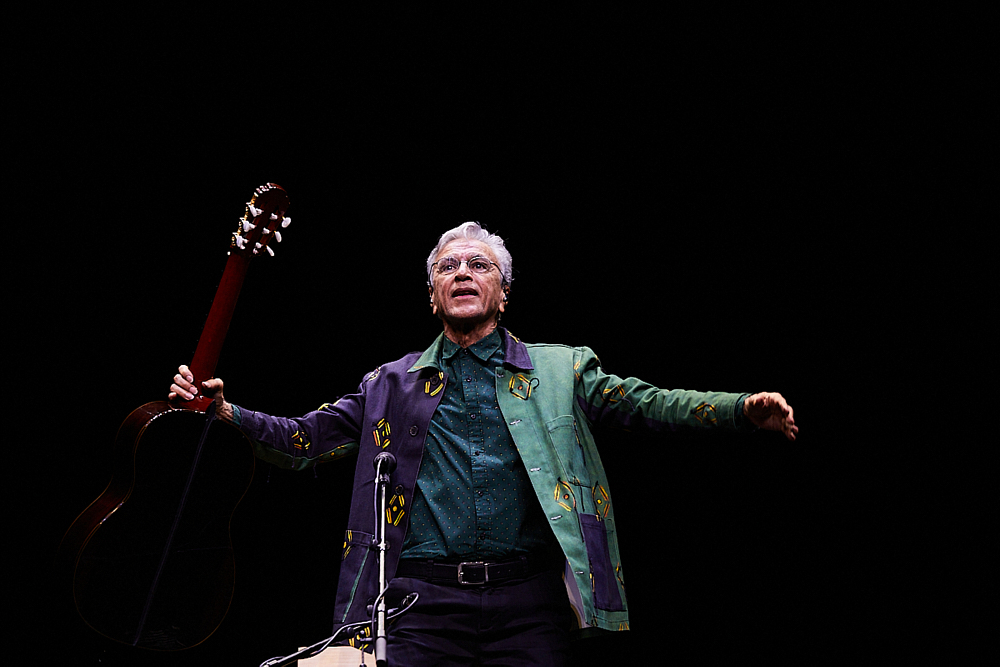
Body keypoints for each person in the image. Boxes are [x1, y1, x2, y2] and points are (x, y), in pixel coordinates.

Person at [169, 221, 798, 666]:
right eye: (449, 266)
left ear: (502, 291)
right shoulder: (390, 383)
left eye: (480, 265)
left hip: (528, 604)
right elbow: (302, 440)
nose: (463, 272)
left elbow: (649, 404)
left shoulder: (562, 370)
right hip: (418, 604)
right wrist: (224, 412)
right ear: (433, 293)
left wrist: (740, 409)